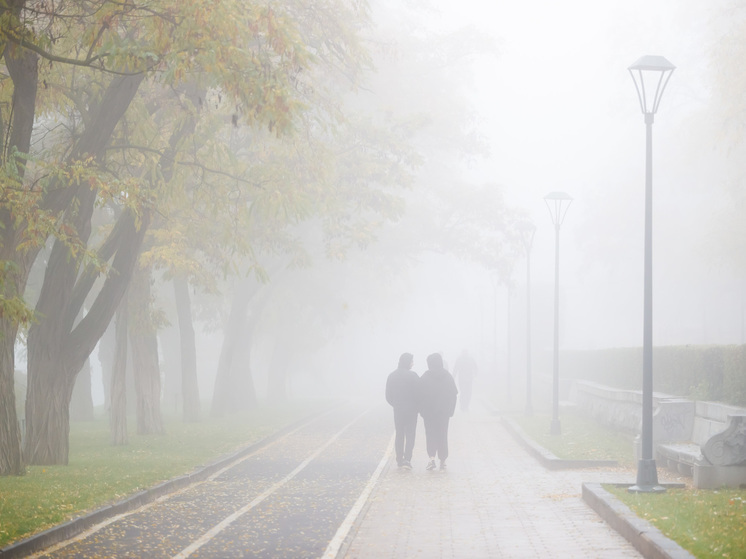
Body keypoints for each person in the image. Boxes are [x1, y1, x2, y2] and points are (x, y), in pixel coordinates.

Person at [419, 352, 458, 471]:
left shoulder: (425, 377)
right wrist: (451, 410)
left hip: (429, 413)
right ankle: (443, 460)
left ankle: (431, 458)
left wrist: (422, 410)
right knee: (443, 434)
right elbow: (454, 394)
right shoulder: (447, 376)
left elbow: (419, 395)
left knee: (430, 434)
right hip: (444, 413)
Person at [385, 352, 420, 469]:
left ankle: (399, 458)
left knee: (399, 433)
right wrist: (417, 406)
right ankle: (407, 459)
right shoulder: (414, 376)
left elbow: (388, 395)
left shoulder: (392, 376)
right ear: (407, 362)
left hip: (398, 410)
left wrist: (395, 404)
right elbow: (420, 393)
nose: (413, 364)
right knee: (410, 434)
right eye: (411, 361)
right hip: (412, 411)